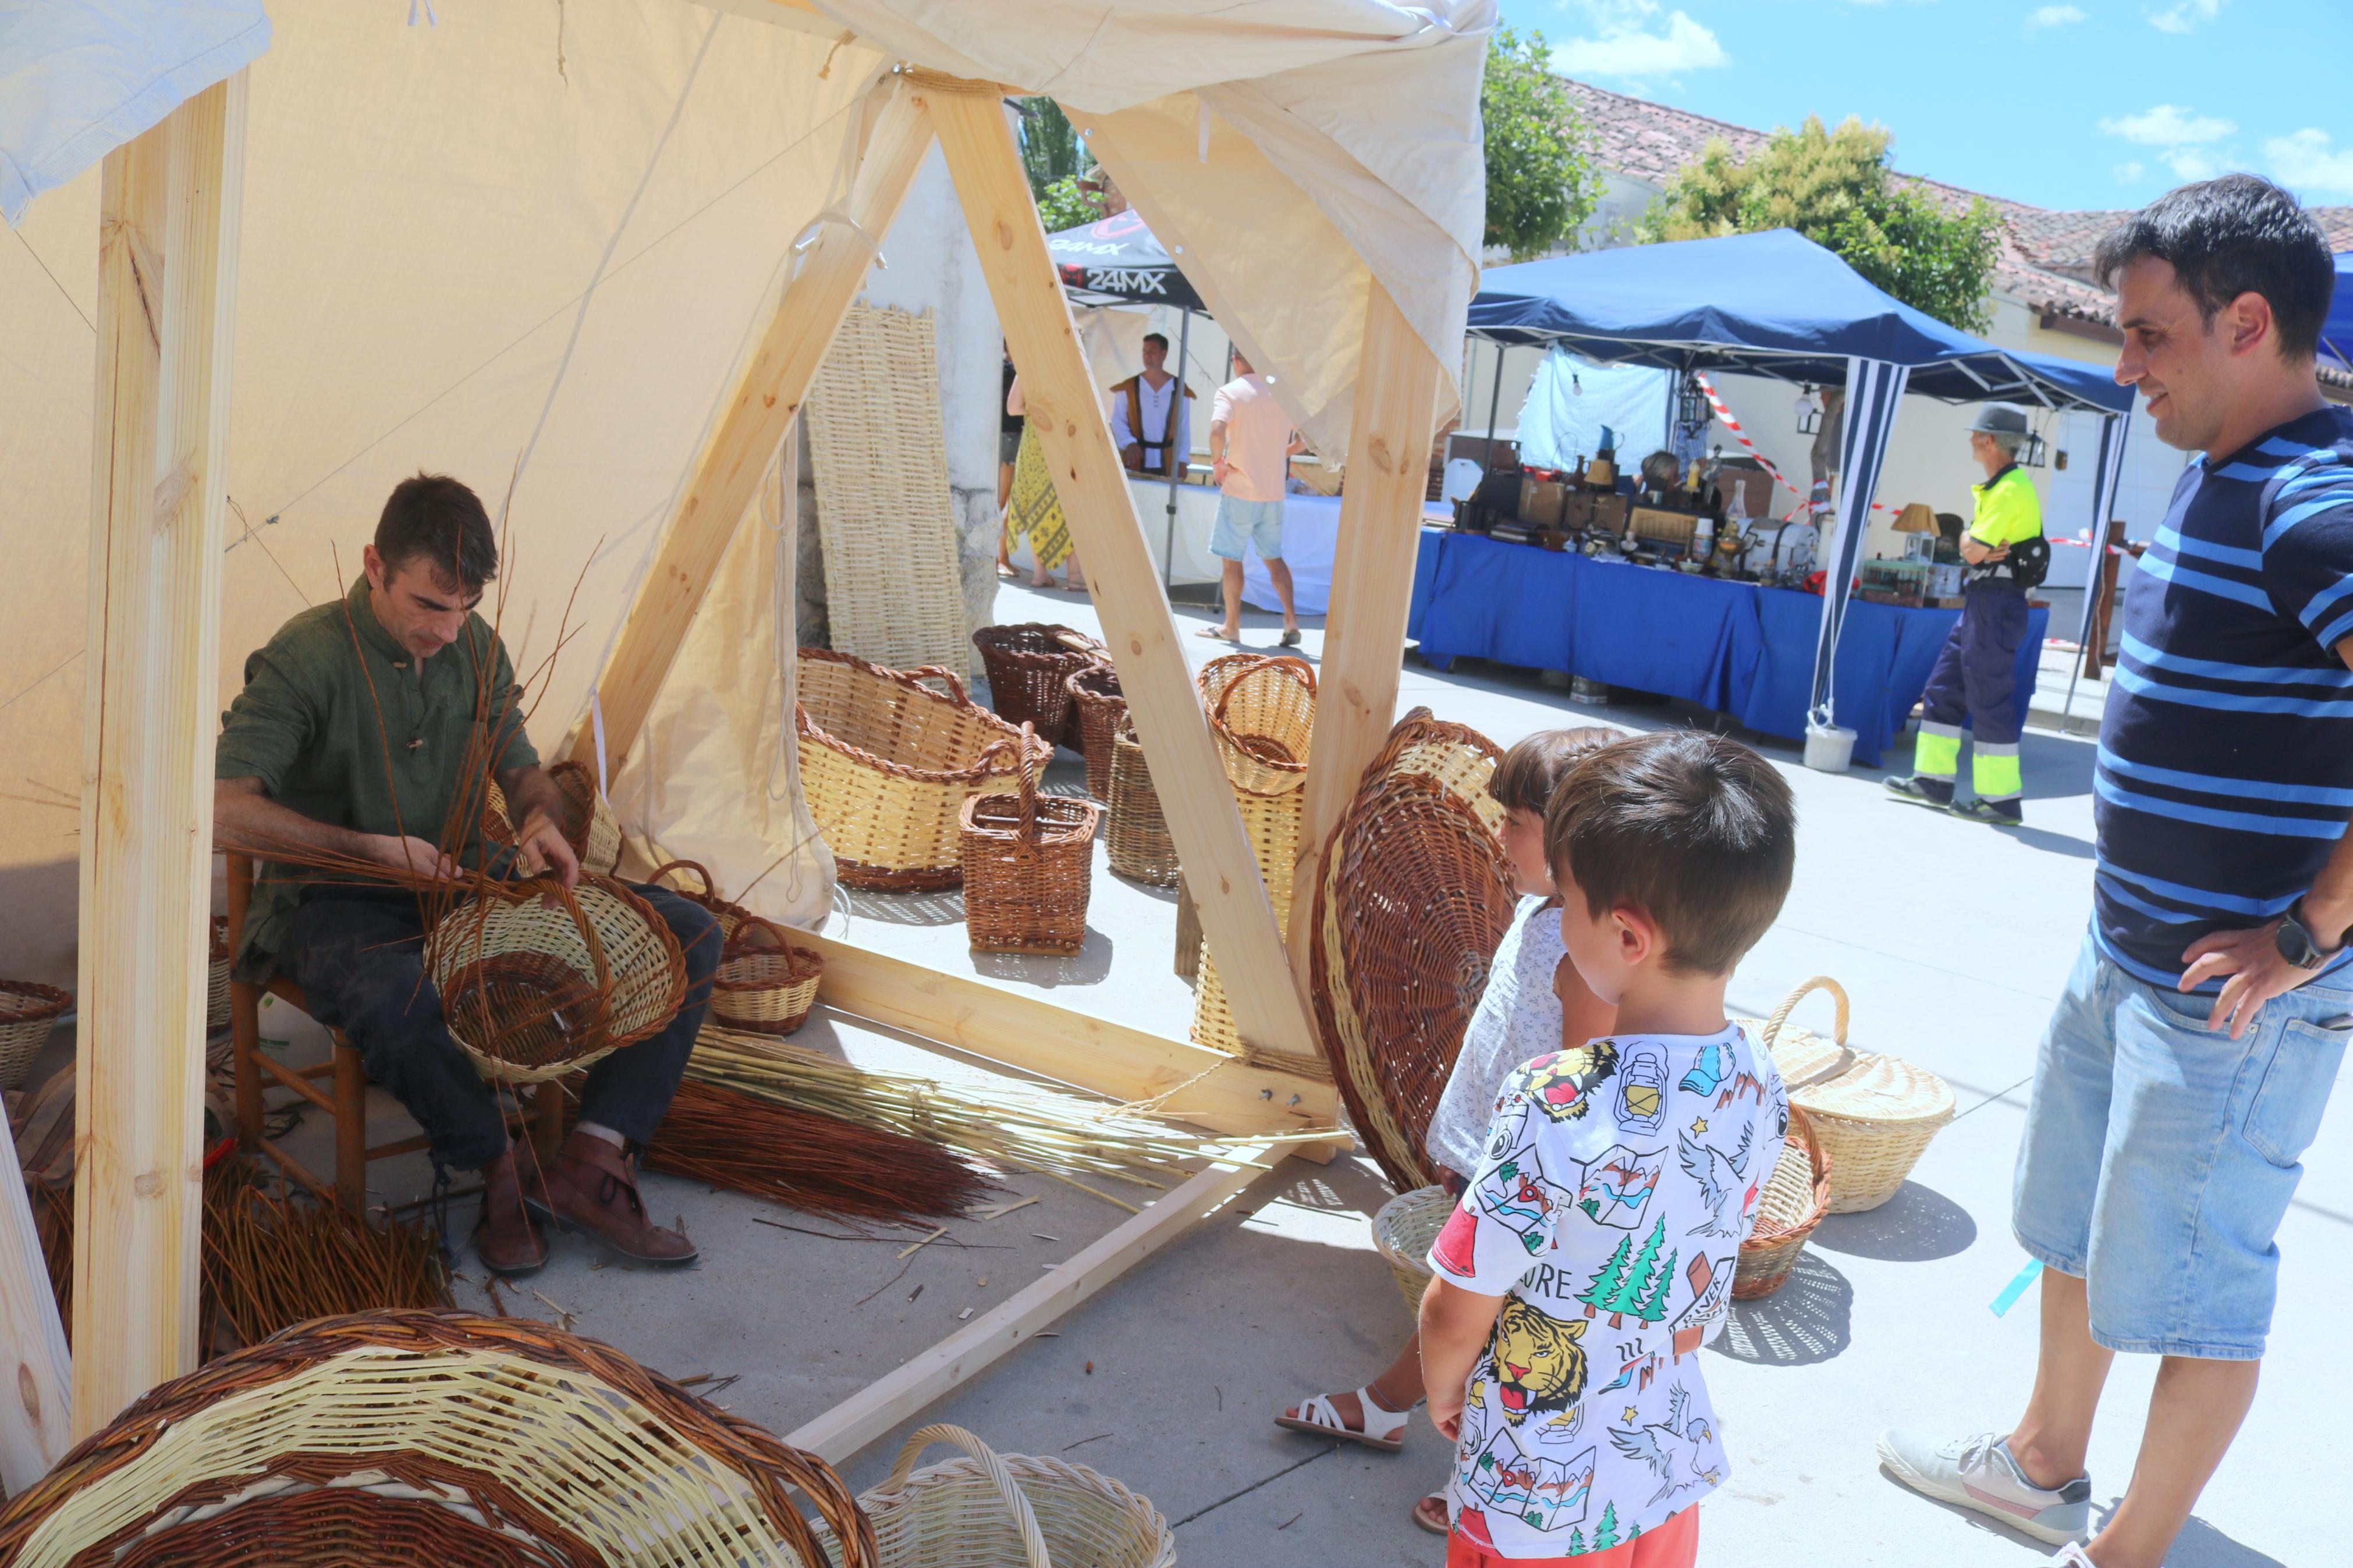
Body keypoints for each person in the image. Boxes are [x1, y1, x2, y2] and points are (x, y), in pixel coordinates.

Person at [1878, 176, 2353, 1568]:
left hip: (2231, 1001)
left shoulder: (2315, 500)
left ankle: (2123, 1552)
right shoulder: (2221, 471)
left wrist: (2308, 934)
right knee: (2070, 1226)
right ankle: (2040, 1464)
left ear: (2246, 323)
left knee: (2196, 1297)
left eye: (2147, 335)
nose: (2122, 364)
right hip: (2124, 957)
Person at [214, 474, 719, 1279]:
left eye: (463, 610)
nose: (447, 631)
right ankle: (500, 1168)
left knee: (688, 932)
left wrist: (539, 819)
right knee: (398, 996)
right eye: (427, 605)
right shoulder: (304, 656)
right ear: (375, 565)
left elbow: (522, 767)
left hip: (461, 877)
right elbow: (220, 810)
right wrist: (369, 849)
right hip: (335, 898)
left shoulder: (474, 647)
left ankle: (589, 1159)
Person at [1422, 729, 1794, 1568]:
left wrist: (1445, 1387)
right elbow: (1702, 1286)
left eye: (1568, 901)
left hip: (1534, 1488)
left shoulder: (1553, 1099)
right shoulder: (1756, 1082)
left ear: (1625, 936)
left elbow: (1457, 1299)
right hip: (1658, 1471)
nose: (1557, 917)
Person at [1274, 728, 1622, 1535]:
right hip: (1486, 1158)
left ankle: (1463, 1464)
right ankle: (1393, 1405)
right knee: (1480, 1313)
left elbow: (1575, 1087)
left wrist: (1497, 1170)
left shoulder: (1583, 952)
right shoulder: (1544, 911)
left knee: (1504, 1331)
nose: (1497, 836)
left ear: (1576, 836)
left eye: (1516, 822)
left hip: (1522, 1177)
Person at [1884, 403, 2046, 824]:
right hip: (1984, 603)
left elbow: (1972, 551)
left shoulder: (2009, 489)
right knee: (1942, 688)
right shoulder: (2001, 487)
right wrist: (1970, 543)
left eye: (1976, 434)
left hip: (1996, 601)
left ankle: (2000, 801)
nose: (1971, 440)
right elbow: (1971, 547)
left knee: (1988, 700)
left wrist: (1969, 543)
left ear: (1989, 440)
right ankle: (1932, 782)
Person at [1201, 348, 1306, 645]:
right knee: (1274, 559)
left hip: (1240, 488)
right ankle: (1291, 621)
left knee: (1232, 561)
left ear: (1235, 361)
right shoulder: (1282, 395)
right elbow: (1307, 438)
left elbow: (1217, 429)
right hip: (1273, 492)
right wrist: (1281, 453)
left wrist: (1217, 463)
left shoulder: (1230, 392)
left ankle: (1231, 626)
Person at [1108, 330, 1194, 478]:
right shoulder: (1129, 387)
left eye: (1152, 351)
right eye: (1145, 351)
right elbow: (1118, 419)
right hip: (1136, 458)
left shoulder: (1179, 388)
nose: (1147, 356)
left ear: (1164, 354)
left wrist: (1182, 460)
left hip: (1168, 460)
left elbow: (1183, 426)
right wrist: (1129, 442)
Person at [997, 349, 1022, 577]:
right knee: (1003, 501)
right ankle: (1000, 558)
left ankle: (1001, 558)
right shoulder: (1011, 370)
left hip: (1008, 437)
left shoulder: (1001, 369)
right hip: (1010, 438)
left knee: (1006, 501)